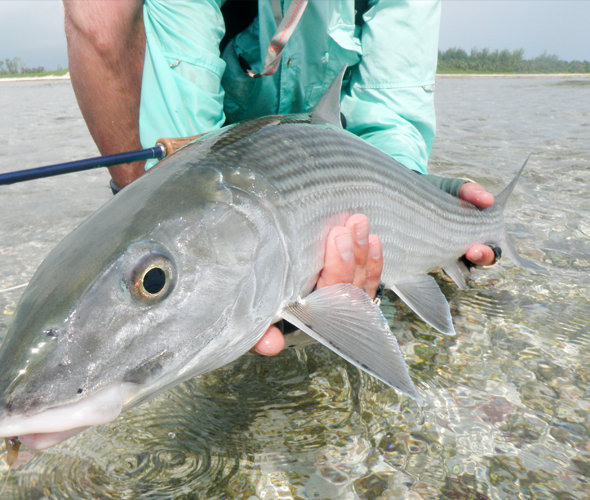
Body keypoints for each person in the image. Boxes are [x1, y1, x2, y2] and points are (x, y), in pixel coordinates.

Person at [62, 0, 497, 355]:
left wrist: (417, 192)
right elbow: (191, 146)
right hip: (237, 150)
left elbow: (391, 114)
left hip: (337, 152)